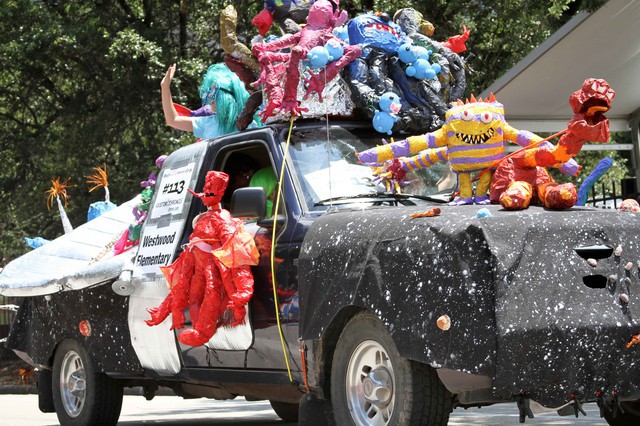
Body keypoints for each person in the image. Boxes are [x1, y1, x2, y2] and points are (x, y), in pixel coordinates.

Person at [161, 63, 253, 140]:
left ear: (227, 96)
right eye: (209, 92)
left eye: (214, 91)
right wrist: (165, 87)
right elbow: (172, 120)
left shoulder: (250, 124)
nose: (209, 95)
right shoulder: (207, 122)